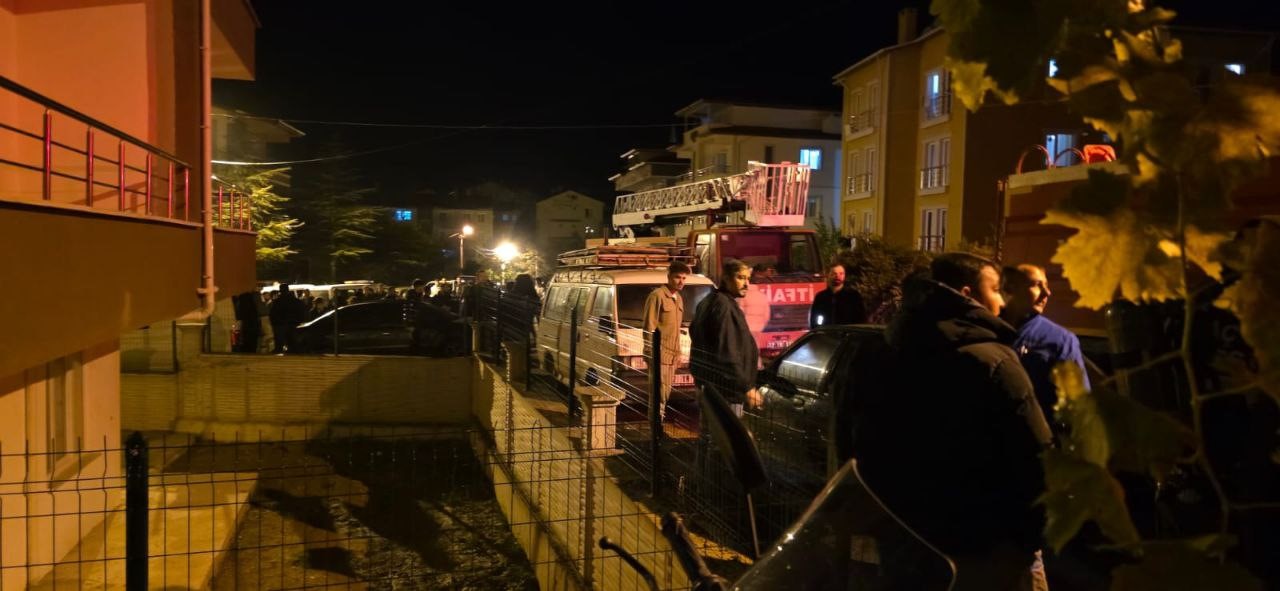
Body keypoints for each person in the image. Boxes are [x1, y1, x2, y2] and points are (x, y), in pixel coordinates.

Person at [851, 253, 1052, 591]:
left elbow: (858, 443)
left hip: (906, 542)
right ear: (967, 294)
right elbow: (1035, 457)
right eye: (996, 290)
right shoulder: (994, 362)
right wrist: (1029, 540)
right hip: (983, 546)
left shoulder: (881, 352)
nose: (1003, 302)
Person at [1000, 264, 1088, 429]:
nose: (1047, 293)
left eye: (1046, 285)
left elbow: (1078, 403)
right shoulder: (989, 330)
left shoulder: (1060, 340)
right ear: (1009, 288)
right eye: (1036, 285)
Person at [690, 259, 762, 417]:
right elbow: (727, 352)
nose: (746, 284)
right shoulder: (724, 306)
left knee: (711, 430)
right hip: (726, 392)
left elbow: (694, 332)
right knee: (729, 431)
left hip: (710, 388)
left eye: (748, 278)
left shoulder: (710, 301)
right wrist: (747, 388)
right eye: (740, 278)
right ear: (727, 279)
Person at [642, 261, 690, 421]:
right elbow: (649, 325)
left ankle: (658, 424)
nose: (681, 281)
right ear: (669, 277)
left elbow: (676, 329)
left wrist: (678, 353)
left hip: (672, 355)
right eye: (677, 277)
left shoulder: (679, 298)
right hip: (659, 353)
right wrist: (650, 351)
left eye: (684, 278)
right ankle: (655, 426)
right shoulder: (657, 296)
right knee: (659, 394)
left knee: (666, 393)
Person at [809, 262, 866, 328]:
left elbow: (861, 318)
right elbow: (814, 319)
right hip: (827, 333)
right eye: (834, 273)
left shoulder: (853, 296)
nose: (837, 276)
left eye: (841, 273)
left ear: (844, 275)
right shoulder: (821, 297)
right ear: (828, 275)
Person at [268, 283, 308, 354]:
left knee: (279, 344)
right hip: (293, 324)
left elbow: (273, 314)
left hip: (280, 325)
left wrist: (274, 323)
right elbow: (302, 312)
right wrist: (299, 321)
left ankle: (279, 353)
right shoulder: (295, 301)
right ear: (288, 290)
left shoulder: (277, 302)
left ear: (280, 291)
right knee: (293, 344)